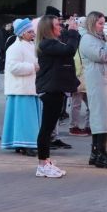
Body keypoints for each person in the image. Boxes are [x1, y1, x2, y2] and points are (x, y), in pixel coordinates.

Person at [34, 14, 79, 177]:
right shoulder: (47, 44)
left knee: (49, 127)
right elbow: (70, 50)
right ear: (48, 28)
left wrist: (70, 31)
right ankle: (42, 164)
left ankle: (45, 161)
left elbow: (66, 47)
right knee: (46, 128)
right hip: (51, 90)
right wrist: (73, 31)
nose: (60, 27)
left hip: (56, 89)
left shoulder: (53, 43)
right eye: (57, 25)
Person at [1, 18, 41, 157]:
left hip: (29, 87)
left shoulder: (31, 45)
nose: (32, 34)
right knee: (25, 119)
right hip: (21, 88)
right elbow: (13, 67)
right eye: (29, 32)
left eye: (32, 31)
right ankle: (25, 144)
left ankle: (22, 143)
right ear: (22, 33)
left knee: (24, 118)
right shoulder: (15, 47)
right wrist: (32, 67)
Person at [79, 11, 107, 168]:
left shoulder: (98, 38)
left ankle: (96, 153)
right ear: (92, 23)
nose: (102, 26)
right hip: (96, 82)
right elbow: (101, 56)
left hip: (102, 81)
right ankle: (100, 154)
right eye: (100, 23)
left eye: (103, 23)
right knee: (99, 118)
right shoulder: (87, 39)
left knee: (103, 118)